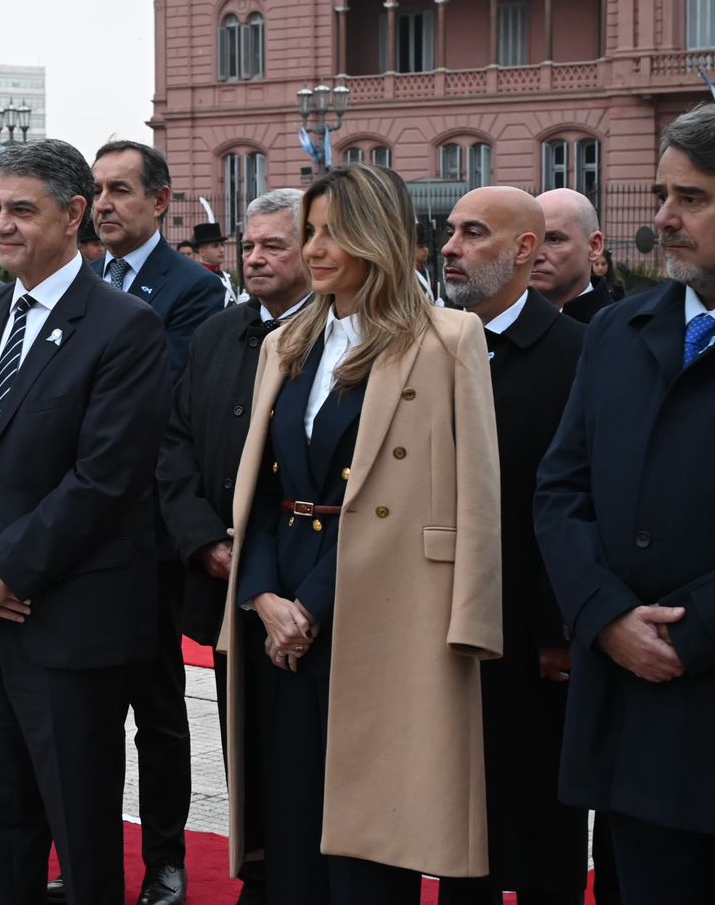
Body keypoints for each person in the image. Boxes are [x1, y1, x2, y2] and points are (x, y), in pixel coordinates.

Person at [221, 163, 502, 903]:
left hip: (385, 607)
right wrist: (262, 596)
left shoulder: (447, 339)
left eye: (332, 233)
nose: (314, 249)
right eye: (309, 232)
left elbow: (475, 494)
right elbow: (261, 487)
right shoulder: (286, 344)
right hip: (279, 598)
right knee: (290, 822)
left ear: (376, 238)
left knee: (370, 842)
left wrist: (312, 604)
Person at [0, 139, 171, 905]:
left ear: (73, 214)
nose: (2, 225)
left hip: (67, 628)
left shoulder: (125, 327)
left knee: (80, 833)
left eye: (21, 210)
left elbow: (105, 479)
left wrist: (7, 570)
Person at [535, 103, 715, 904]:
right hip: (632, 719)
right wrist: (604, 615)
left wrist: (694, 632)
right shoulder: (618, 332)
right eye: (660, 195)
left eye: (693, 198)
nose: (664, 219)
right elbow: (561, 489)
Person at [65, 139, 225, 905]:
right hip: (78, 537)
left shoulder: (192, 289)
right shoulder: (80, 281)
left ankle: (166, 858)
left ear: (160, 201)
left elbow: (158, 400)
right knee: (80, 713)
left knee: (158, 713)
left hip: (150, 539)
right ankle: (85, 857)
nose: (104, 204)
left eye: (120, 190)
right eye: (97, 190)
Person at [157, 188, 313, 905]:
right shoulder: (220, 333)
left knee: (302, 752)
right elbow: (175, 444)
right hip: (220, 582)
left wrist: (257, 561)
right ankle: (258, 871)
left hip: (304, 589)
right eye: (249, 245)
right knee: (239, 743)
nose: (255, 258)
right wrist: (201, 542)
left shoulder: (340, 337)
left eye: (274, 245)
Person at [438, 187, 588, 905]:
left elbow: (579, 497)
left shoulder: (577, 354)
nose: (449, 248)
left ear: (525, 249)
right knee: (457, 820)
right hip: (442, 622)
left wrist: (559, 627)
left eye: (473, 233)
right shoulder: (430, 344)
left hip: (532, 637)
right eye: (450, 231)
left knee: (543, 821)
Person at [534, 188, 612, 324]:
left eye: (554, 240)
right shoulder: (501, 325)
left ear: (594, 246)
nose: (536, 256)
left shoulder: (620, 329)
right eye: (530, 242)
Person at [190, 222, 239, 305]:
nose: (221, 250)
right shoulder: (197, 279)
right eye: (215, 246)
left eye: (222, 245)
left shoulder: (226, 276)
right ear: (202, 251)